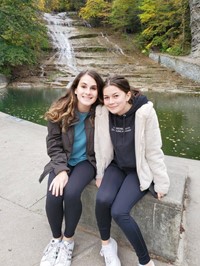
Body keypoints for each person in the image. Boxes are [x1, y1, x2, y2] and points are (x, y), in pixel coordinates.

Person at [94, 75, 170, 266]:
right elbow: (100, 146)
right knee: (102, 199)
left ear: (128, 95)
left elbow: (153, 149)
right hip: (116, 166)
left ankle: (145, 261)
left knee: (119, 212)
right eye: (107, 97)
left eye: (116, 96)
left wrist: (161, 182)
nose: (110, 102)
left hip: (138, 169)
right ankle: (107, 246)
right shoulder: (103, 112)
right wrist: (100, 173)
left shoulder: (145, 113)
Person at [39, 69, 104, 266]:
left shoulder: (101, 112)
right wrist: (60, 171)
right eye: (83, 86)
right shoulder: (59, 110)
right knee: (53, 196)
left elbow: (126, 98)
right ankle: (56, 239)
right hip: (62, 160)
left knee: (72, 193)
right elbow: (54, 145)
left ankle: (68, 241)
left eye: (93, 88)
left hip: (86, 161)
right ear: (75, 89)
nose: (88, 92)